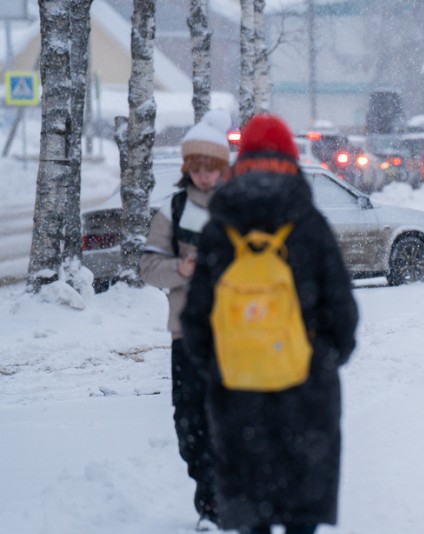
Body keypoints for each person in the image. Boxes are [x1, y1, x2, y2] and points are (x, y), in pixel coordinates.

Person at [181, 114, 359, 534]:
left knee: (251, 510)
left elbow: (195, 319)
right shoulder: (309, 224)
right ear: (292, 158)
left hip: (238, 394)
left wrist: (222, 365)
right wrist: (324, 357)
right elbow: (342, 310)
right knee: (301, 511)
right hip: (306, 389)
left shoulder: (218, 229)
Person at [139, 108, 231, 525]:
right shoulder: (172, 211)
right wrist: (181, 270)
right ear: (187, 167)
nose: (204, 176)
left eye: (211, 167)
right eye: (197, 167)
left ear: (222, 168)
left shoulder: (238, 206)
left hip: (235, 334)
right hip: (187, 335)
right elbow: (147, 266)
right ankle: (206, 489)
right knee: (190, 420)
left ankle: (222, 498)